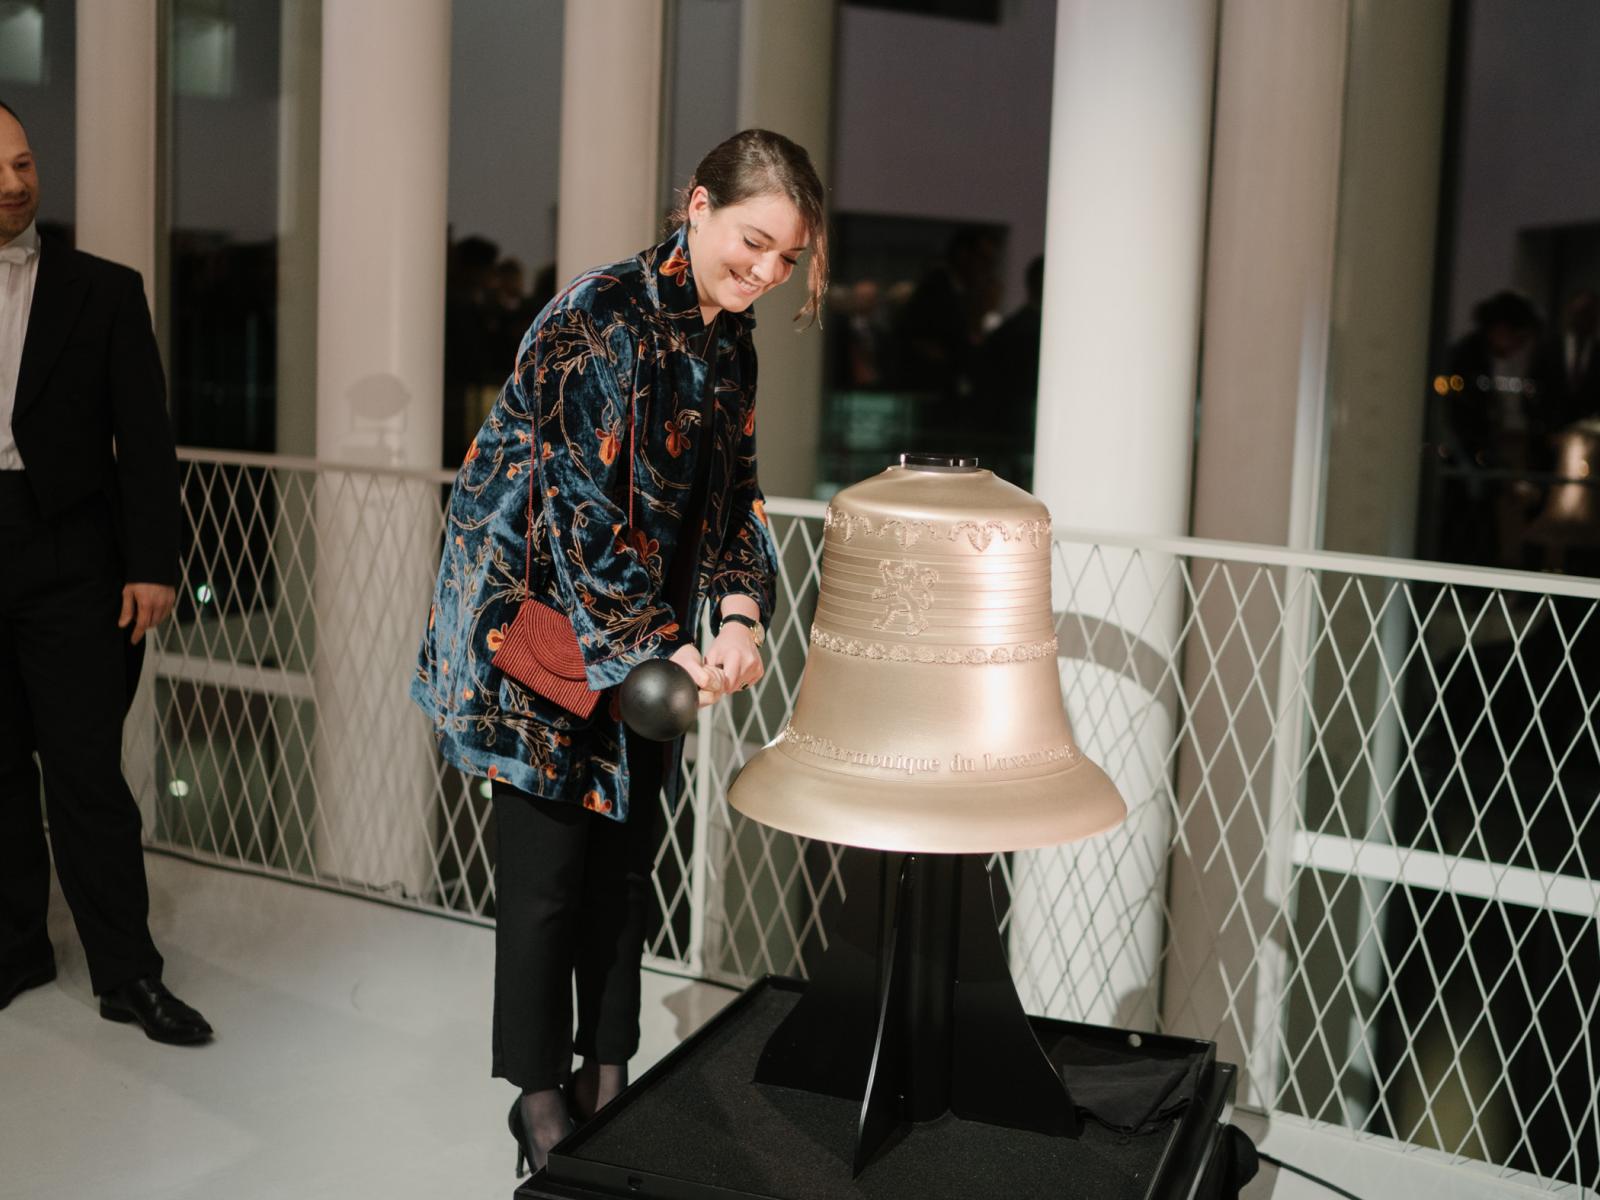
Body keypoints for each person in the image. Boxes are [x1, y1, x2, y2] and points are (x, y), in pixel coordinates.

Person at [411, 129, 827, 1174]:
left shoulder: (730, 338)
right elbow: (579, 521)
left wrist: (737, 610)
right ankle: (542, 1105)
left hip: (646, 649)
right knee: (547, 881)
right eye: (754, 243)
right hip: (536, 639)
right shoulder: (596, 317)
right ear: (695, 205)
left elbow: (735, 493)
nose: (768, 274)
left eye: (788, 258)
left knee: (626, 870)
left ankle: (609, 1076)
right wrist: (666, 649)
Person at [0, 101, 211, 1043]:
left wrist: (153, 563)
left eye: (23, 163)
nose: (14, 182)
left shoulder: (105, 289)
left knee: (84, 772)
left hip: (71, 558)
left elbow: (149, 442)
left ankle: (127, 973)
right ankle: (16, 951)